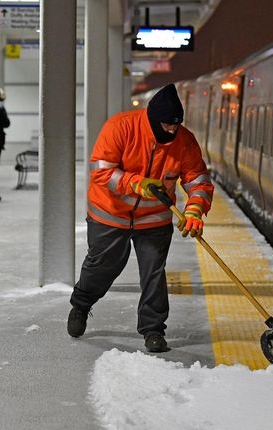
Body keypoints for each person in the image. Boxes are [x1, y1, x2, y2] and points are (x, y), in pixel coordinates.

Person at [67, 84, 214, 353]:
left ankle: (154, 329)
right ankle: (81, 304)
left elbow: (198, 179)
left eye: (176, 126)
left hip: (154, 220)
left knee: (153, 273)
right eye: (167, 125)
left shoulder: (184, 140)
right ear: (152, 118)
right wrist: (136, 183)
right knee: (103, 266)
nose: (171, 131)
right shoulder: (120, 128)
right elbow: (101, 172)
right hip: (109, 214)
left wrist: (195, 208)